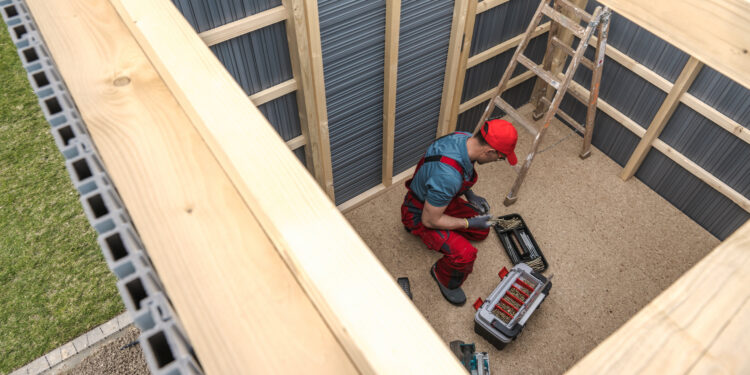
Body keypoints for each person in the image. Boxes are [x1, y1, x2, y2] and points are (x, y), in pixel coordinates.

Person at [401, 119, 518, 305]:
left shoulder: (464, 138)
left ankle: (455, 229)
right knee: (465, 254)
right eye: (500, 157)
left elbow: (461, 171)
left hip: (437, 197)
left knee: (483, 230)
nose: (498, 161)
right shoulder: (447, 177)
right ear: (489, 152)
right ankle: (442, 277)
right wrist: (467, 223)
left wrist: (470, 195)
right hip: (419, 213)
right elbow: (429, 220)